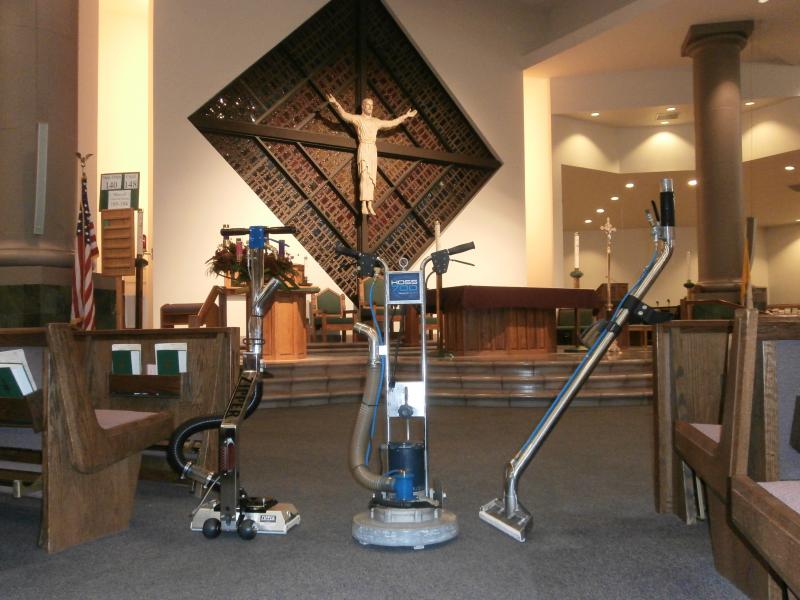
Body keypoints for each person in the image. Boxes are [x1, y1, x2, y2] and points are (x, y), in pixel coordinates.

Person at [327, 94, 417, 216]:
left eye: (372, 105)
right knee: (364, 175)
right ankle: (363, 204)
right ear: (363, 106)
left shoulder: (376, 121)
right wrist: (336, 103)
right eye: (368, 105)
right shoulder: (358, 119)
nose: (370, 107)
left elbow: (392, 123)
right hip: (364, 147)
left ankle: (370, 203)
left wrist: (406, 116)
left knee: (371, 178)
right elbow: (344, 115)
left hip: (372, 150)